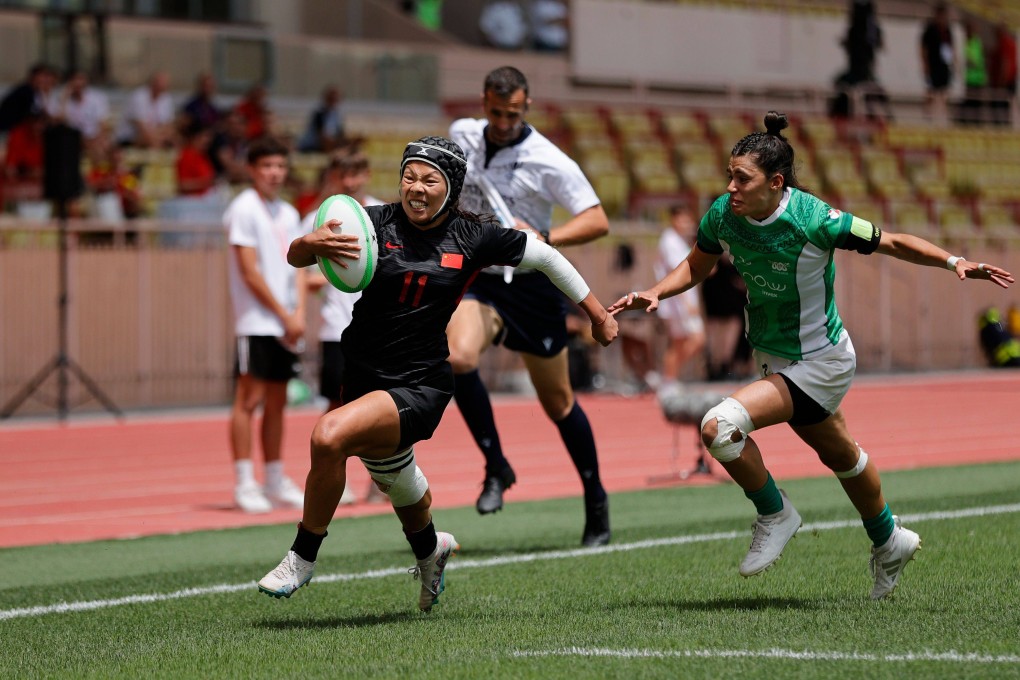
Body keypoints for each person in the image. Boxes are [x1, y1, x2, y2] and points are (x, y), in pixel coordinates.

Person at [608, 111, 1014, 600]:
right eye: (729, 176)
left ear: (776, 183)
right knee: (841, 455)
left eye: (743, 178)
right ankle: (890, 540)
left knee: (719, 428)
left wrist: (954, 262)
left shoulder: (814, 219)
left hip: (821, 359)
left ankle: (775, 512)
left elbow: (891, 241)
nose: (731, 187)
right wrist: (656, 291)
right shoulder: (723, 214)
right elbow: (698, 264)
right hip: (774, 356)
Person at [256, 135, 618, 610]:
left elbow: (547, 257)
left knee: (328, 436)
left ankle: (302, 558)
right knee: (400, 486)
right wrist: (308, 243)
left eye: (430, 179)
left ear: (451, 187)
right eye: (409, 176)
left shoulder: (474, 235)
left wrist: (597, 314)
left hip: (420, 384)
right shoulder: (372, 220)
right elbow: (298, 258)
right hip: (363, 375)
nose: (417, 188)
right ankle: (432, 552)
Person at [447, 65, 614, 546]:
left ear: (528, 107)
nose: (503, 121)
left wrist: (545, 237)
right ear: (483, 101)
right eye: (496, 112)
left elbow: (598, 220)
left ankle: (596, 499)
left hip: (531, 283)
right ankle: (496, 465)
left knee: (558, 403)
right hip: (481, 277)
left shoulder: (548, 159)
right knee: (457, 357)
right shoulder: (463, 134)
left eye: (513, 113)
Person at [224, 136, 309, 514]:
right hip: (257, 321)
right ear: (252, 170)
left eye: (280, 166)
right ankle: (245, 481)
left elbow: (301, 271)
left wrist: (299, 314)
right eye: (267, 166)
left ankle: (274, 478)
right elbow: (249, 272)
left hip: (286, 324)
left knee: (277, 402)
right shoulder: (243, 209)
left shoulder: (289, 214)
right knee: (249, 400)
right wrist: (282, 314)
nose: (274, 173)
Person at [301, 145, 385, 505]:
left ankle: (382, 482)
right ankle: (332, 474)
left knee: (383, 406)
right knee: (336, 407)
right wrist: (337, 271)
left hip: (380, 327)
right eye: (343, 174)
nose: (350, 181)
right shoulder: (319, 219)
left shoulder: (382, 212)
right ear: (334, 177)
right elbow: (305, 277)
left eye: (356, 173)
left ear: (366, 173)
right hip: (337, 328)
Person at [655, 204, 706, 389]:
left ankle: (669, 379)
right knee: (696, 338)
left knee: (678, 342)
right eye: (683, 219)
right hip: (677, 302)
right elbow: (675, 273)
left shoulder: (680, 240)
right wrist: (686, 302)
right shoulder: (669, 241)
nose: (687, 223)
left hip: (680, 301)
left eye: (689, 220)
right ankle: (669, 377)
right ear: (674, 219)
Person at [116, 71, 176, 148]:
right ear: (152, 82)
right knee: (149, 140)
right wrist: (159, 136)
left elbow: (168, 126)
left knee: (175, 140)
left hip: (153, 135)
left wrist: (160, 136)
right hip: (129, 138)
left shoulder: (166, 98)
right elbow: (142, 128)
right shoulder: (138, 97)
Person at [920, 3, 954, 126]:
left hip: (944, 66)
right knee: (931, 91)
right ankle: (927, 114)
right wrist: (925, 64)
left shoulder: (947, 30)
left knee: (944, 91)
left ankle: (944, 115)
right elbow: (923, 48)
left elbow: (950, 48)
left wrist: (952, 62)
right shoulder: (930, 29)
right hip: (933, 65)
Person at [298, 85, 346, 153]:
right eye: (331, 98)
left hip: (327, 145)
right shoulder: (319, 114)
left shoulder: (337, 115)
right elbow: (322, 137)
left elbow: (340, 135)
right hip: (312, 146)